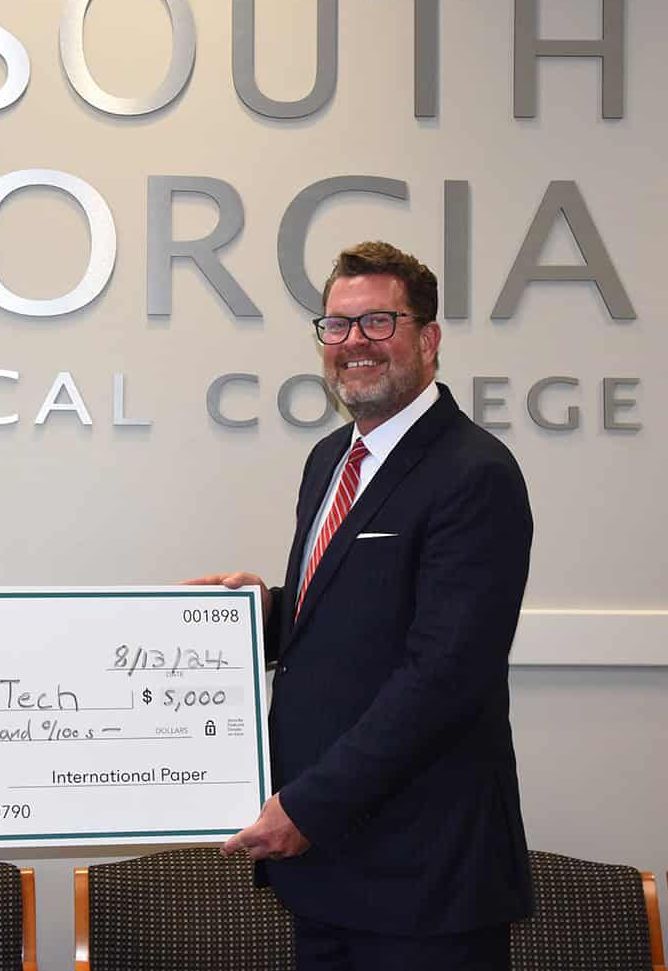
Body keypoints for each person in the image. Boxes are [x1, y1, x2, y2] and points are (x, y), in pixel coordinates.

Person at [189, 241, 534, 970]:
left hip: (425, 881)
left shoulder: (475, 474)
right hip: (329, 876)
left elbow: (443, 674)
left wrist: (307, 807)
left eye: (378, 322)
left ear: (428, 338)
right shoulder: (329, 461)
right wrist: (262, 613)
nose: (354, 344)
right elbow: (352, 615)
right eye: (338, 326)